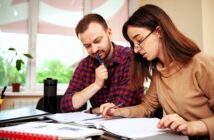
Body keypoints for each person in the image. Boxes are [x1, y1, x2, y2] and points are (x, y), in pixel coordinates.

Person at [100, 4, 214, 139]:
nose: (136, 50)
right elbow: (146, 108)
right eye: (133, 44)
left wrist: (193, 126)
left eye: (139, 40)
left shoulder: (201, 63)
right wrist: (117, 111)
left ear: (159, 32)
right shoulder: (158, 71)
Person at [60, 14, 144, 114]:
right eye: (87, 46)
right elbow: (65, 106)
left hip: (130, 124)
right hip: (100, 126)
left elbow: (123, 104)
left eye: (97, 41)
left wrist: (92, 111)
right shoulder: (85, 65)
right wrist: (96, 85)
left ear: (109, 33)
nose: (94, 50)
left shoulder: (130, 57)